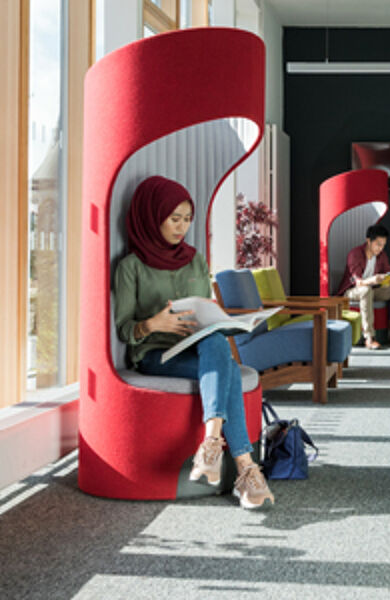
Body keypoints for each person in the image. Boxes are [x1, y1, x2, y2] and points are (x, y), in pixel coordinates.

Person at [113, 175, 273, 509]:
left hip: (197, 347)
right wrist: (152, 324)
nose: (182, 227)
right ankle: (245, 469)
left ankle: (212, 446)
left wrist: (221, 322)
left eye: (187, 219)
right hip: (156, 354)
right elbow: (125, 329)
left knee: (216, 343)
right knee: (228, 369)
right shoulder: (130, 267)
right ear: (152, 216)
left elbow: (203, 310)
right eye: (174, 218)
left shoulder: (195, 259)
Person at [337, 224, 390, 350]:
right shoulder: (355, 254)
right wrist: (373, 280)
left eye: (383, 245)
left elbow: (387, 273)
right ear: (369, 241)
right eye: (378, 244)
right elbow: (357, 282)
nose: (381, 248)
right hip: (352, 291)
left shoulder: (381, 255)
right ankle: (369, 337)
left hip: (372, 290)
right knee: (365, 290)